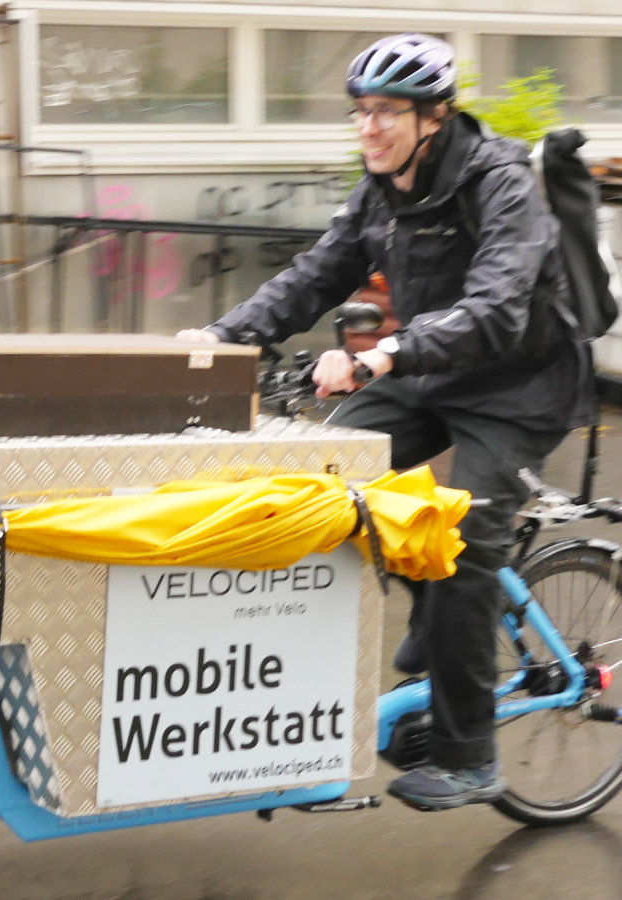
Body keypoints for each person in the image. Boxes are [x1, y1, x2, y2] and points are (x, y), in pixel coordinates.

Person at [177, 32, 592, 811]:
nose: (368, 127)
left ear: (435, 118)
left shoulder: (500, 184)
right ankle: (435, 616)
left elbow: (497, 310)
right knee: (330, 482)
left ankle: (470, 758)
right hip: (431, 371)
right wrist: (222, 338)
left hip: (520, 385)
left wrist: (382, 356)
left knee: (464, 544)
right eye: (361, 111)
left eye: (388, 112)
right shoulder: (380, 191)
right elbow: (315, 275)